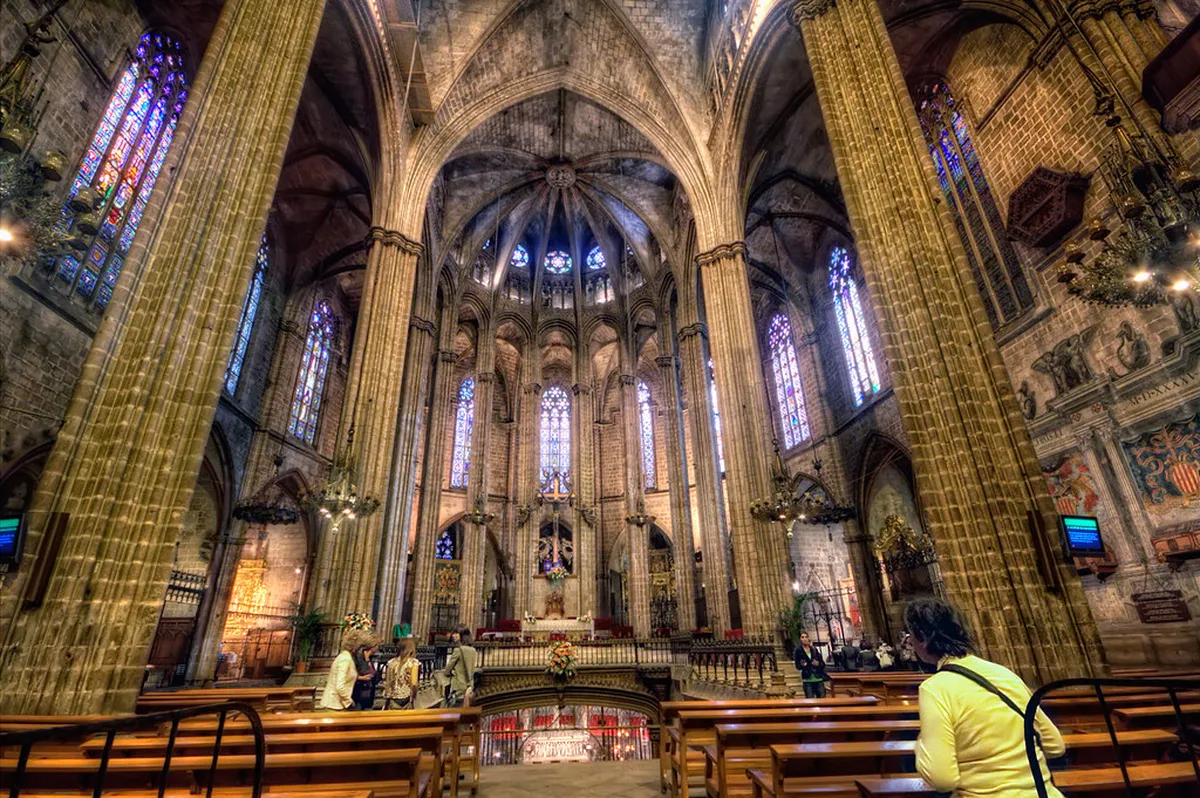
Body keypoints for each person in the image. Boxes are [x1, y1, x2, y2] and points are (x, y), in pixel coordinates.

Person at [906, 597, 1065, 798]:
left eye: (910, 635)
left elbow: (942, 779)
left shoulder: (935, 688)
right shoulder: (1004, 673)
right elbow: (1055, 745)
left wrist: (920, 746)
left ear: (922, 639)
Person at [318, 628, 371, 711]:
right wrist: (349, 701)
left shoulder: (347, 657)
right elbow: (340, 686)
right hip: (335, 705)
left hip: (339, 704)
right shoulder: (345, 659)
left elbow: (348, 676)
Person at [443, 625, 478, 708]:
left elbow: (447, 671)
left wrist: (451, 672)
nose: (453, 635)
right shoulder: (473, 650)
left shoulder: (458, 650)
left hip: (458, 688)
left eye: (456, 633)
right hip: (469, 687)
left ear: (462, 635)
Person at [384, 638, 421, 710]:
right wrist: (414, 695)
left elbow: (387, 682)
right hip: (406, 697)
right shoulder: (413, 663)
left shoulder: (391, 662)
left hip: (392, 698)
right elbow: (414, 683)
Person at [793, 632, 828, 698]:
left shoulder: (814, 649)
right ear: (800, 639)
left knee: (822, 701)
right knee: (810, 700)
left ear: (808, 638)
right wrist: (802, 665)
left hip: (818, 678)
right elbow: (797, 666)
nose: (804, 639)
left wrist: (818, 664)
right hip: (807, 679)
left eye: (806, 637)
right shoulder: (798, 651)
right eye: (802, 637)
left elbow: (822, 664)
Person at [352, 635, 381, 710]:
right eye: (377, 645)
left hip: (368, 693)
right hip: (359, 692)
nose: (378, 648)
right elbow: (363, 671)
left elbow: (374, 674)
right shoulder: (359, 657)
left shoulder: (370, 658)